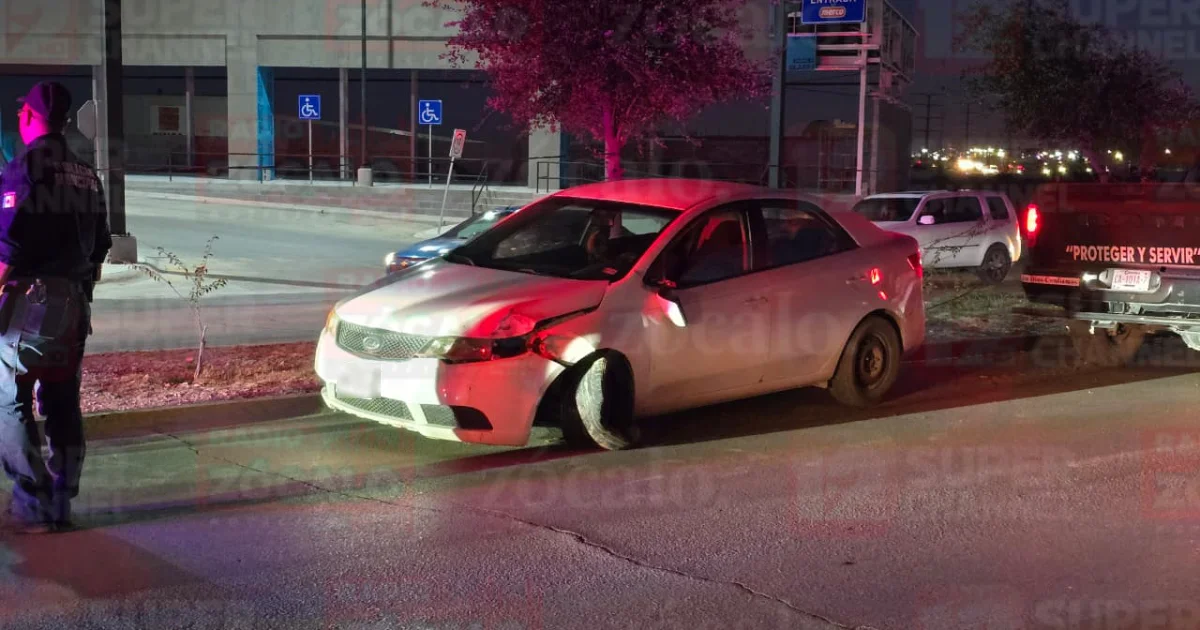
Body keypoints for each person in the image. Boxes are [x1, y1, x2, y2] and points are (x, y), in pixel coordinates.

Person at [0, 81, 111, 534]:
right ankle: (62, 498)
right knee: (63, 401)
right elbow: (100, 246)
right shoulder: (86, 173)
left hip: (30, 303)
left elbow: (7, 250)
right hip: (74, 302)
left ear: (27, 117)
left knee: (11, 401)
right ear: (64, 121)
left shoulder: (22, 168)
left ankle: (33, 501)